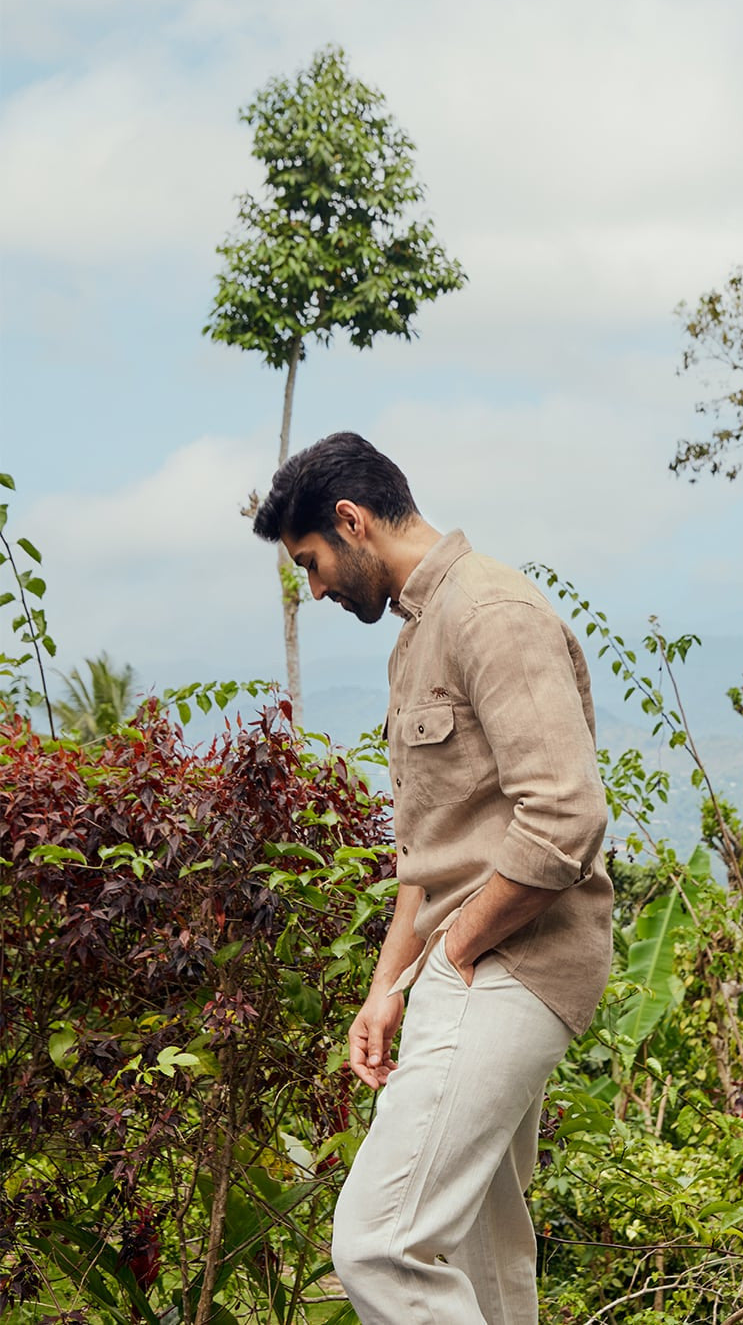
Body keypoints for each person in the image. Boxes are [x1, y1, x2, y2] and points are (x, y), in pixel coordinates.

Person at [252, 431, 613, 1325]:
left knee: (380, 1245)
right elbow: (431, 851)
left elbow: (565, 816)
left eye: (312, 563)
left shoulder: (492, 613)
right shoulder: (417, 640)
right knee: (482, 1252)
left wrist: (453, 952)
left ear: (352, 522)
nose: (317, 588)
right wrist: (388, 990)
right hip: (462, 966)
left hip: (513, 964)